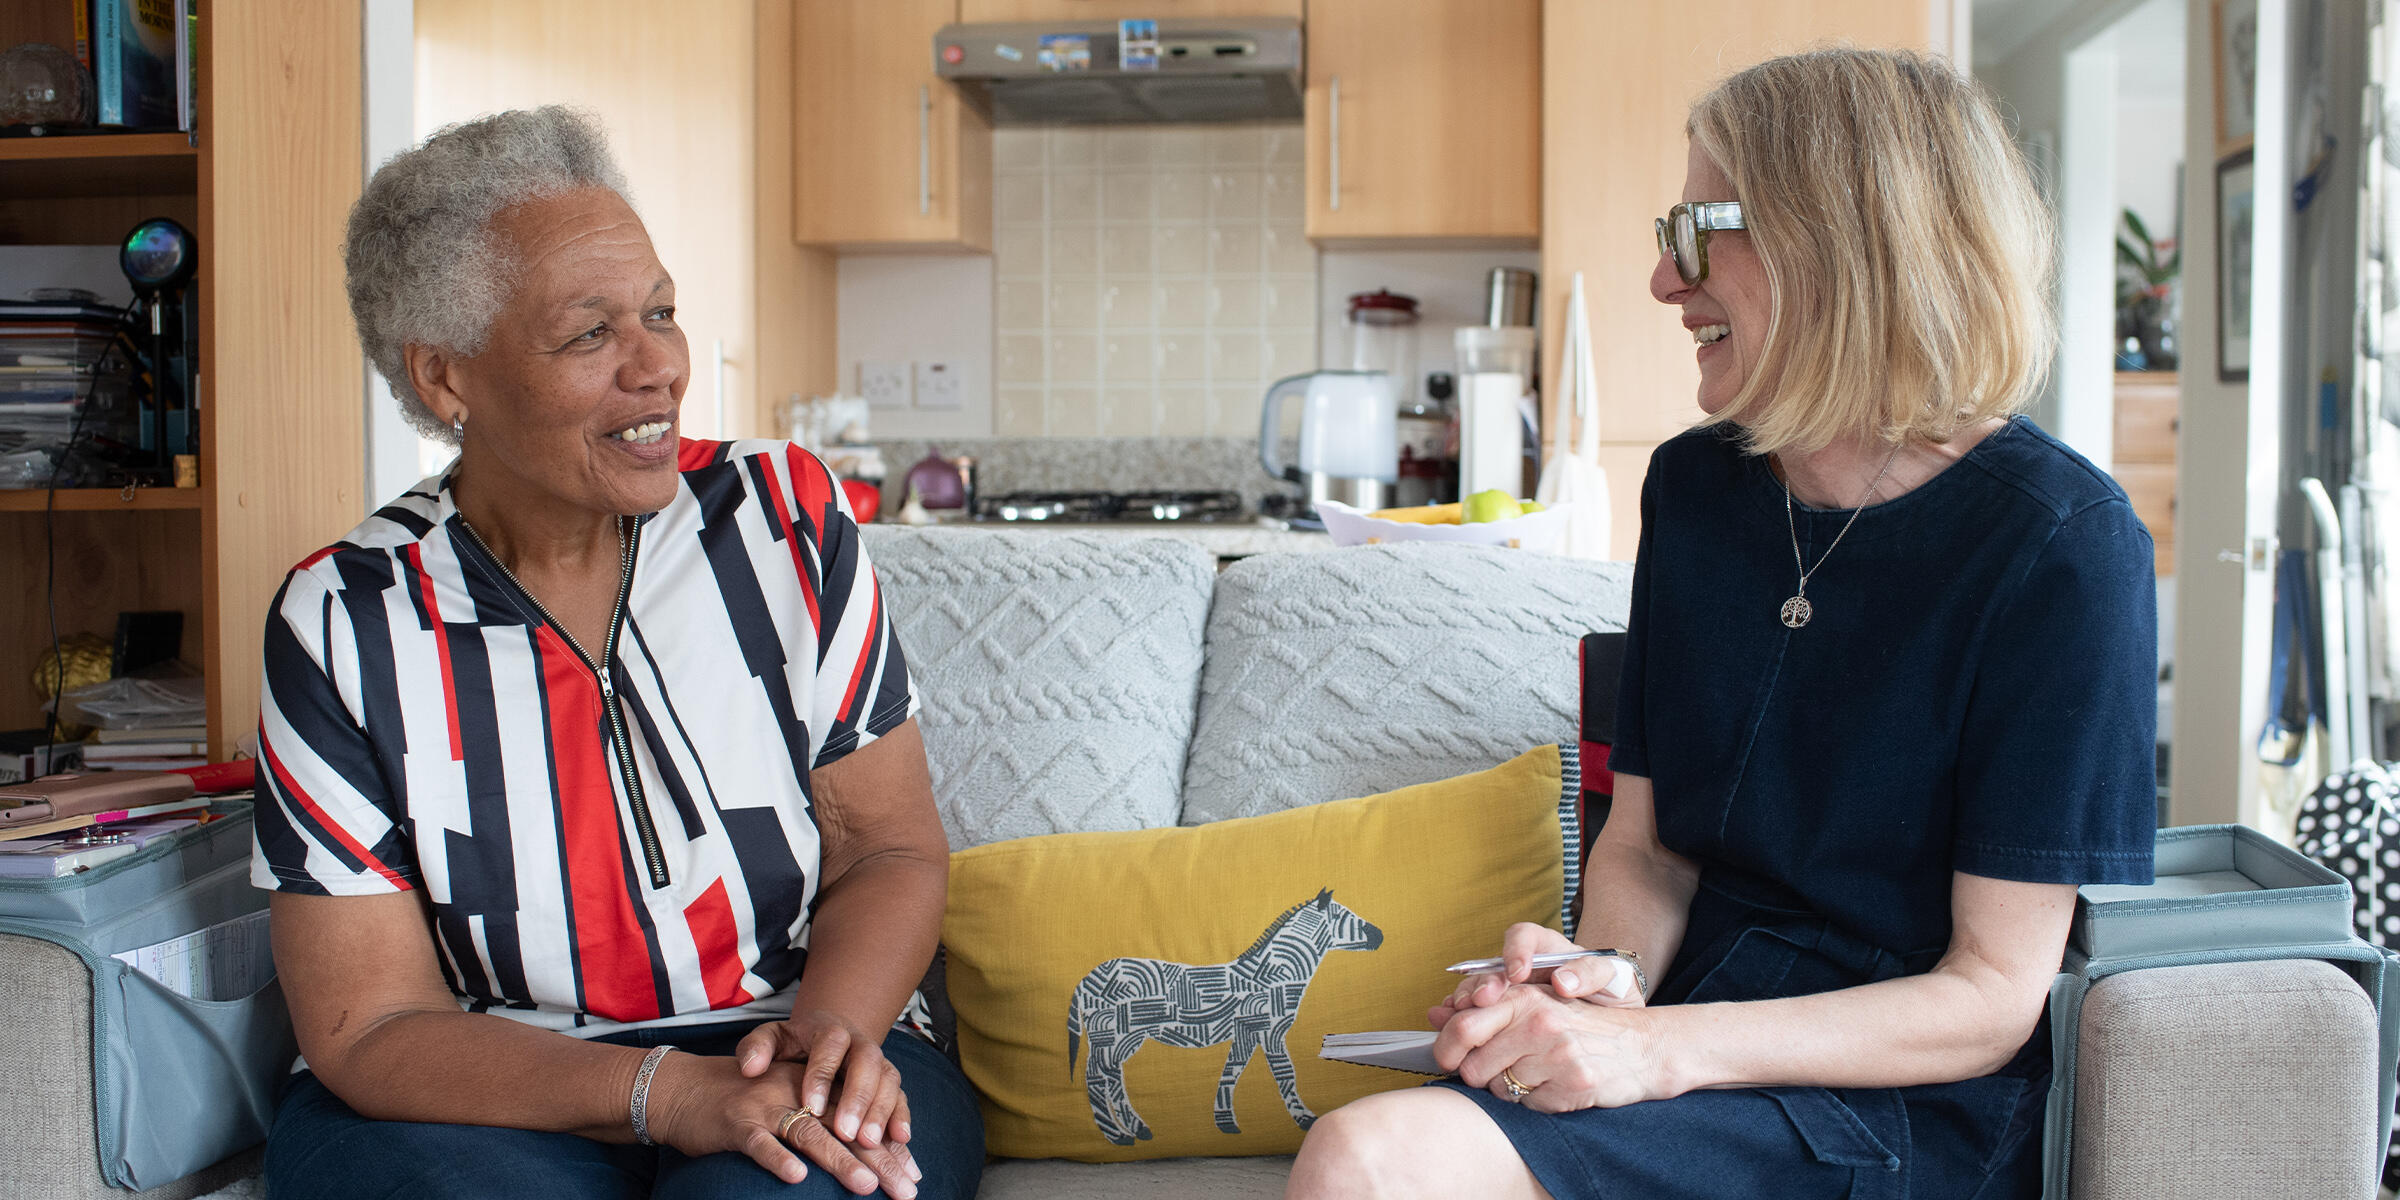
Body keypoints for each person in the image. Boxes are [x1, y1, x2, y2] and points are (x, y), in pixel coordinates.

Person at [1287, 48, 2156, 1200]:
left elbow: (1990, 1001)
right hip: (1688, 1046)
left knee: (1371, 1160)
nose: (1661, 277)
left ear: (1843, 238)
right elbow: (1649, 851)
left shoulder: (2061, 545)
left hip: (1885, 1102)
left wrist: (1655, 1052)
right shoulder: (1696, 488)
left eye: (1700, 228)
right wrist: (1599, 980)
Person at [252, 106, 983, 1200]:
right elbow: (370, 1023)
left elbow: (888, 849)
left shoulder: (782, 521)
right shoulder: (345, 616)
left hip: (794, 1040)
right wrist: (670, 1095)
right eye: (591, 334)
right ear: (447, 379)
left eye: (662, 313)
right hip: (489, 1089)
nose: (659, 368)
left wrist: (822, 1044)